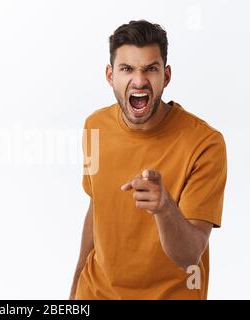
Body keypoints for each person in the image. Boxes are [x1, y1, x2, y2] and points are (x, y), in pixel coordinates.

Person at [69, 20, 227, 300]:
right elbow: (97, 206)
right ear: (110, 75)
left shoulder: (205, 144)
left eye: (150, 69)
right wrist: (75, 288)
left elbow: (190, 254)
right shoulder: (94, 126)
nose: (139, 80)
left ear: (166, 76)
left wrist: (165, 207)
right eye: (127, 69)